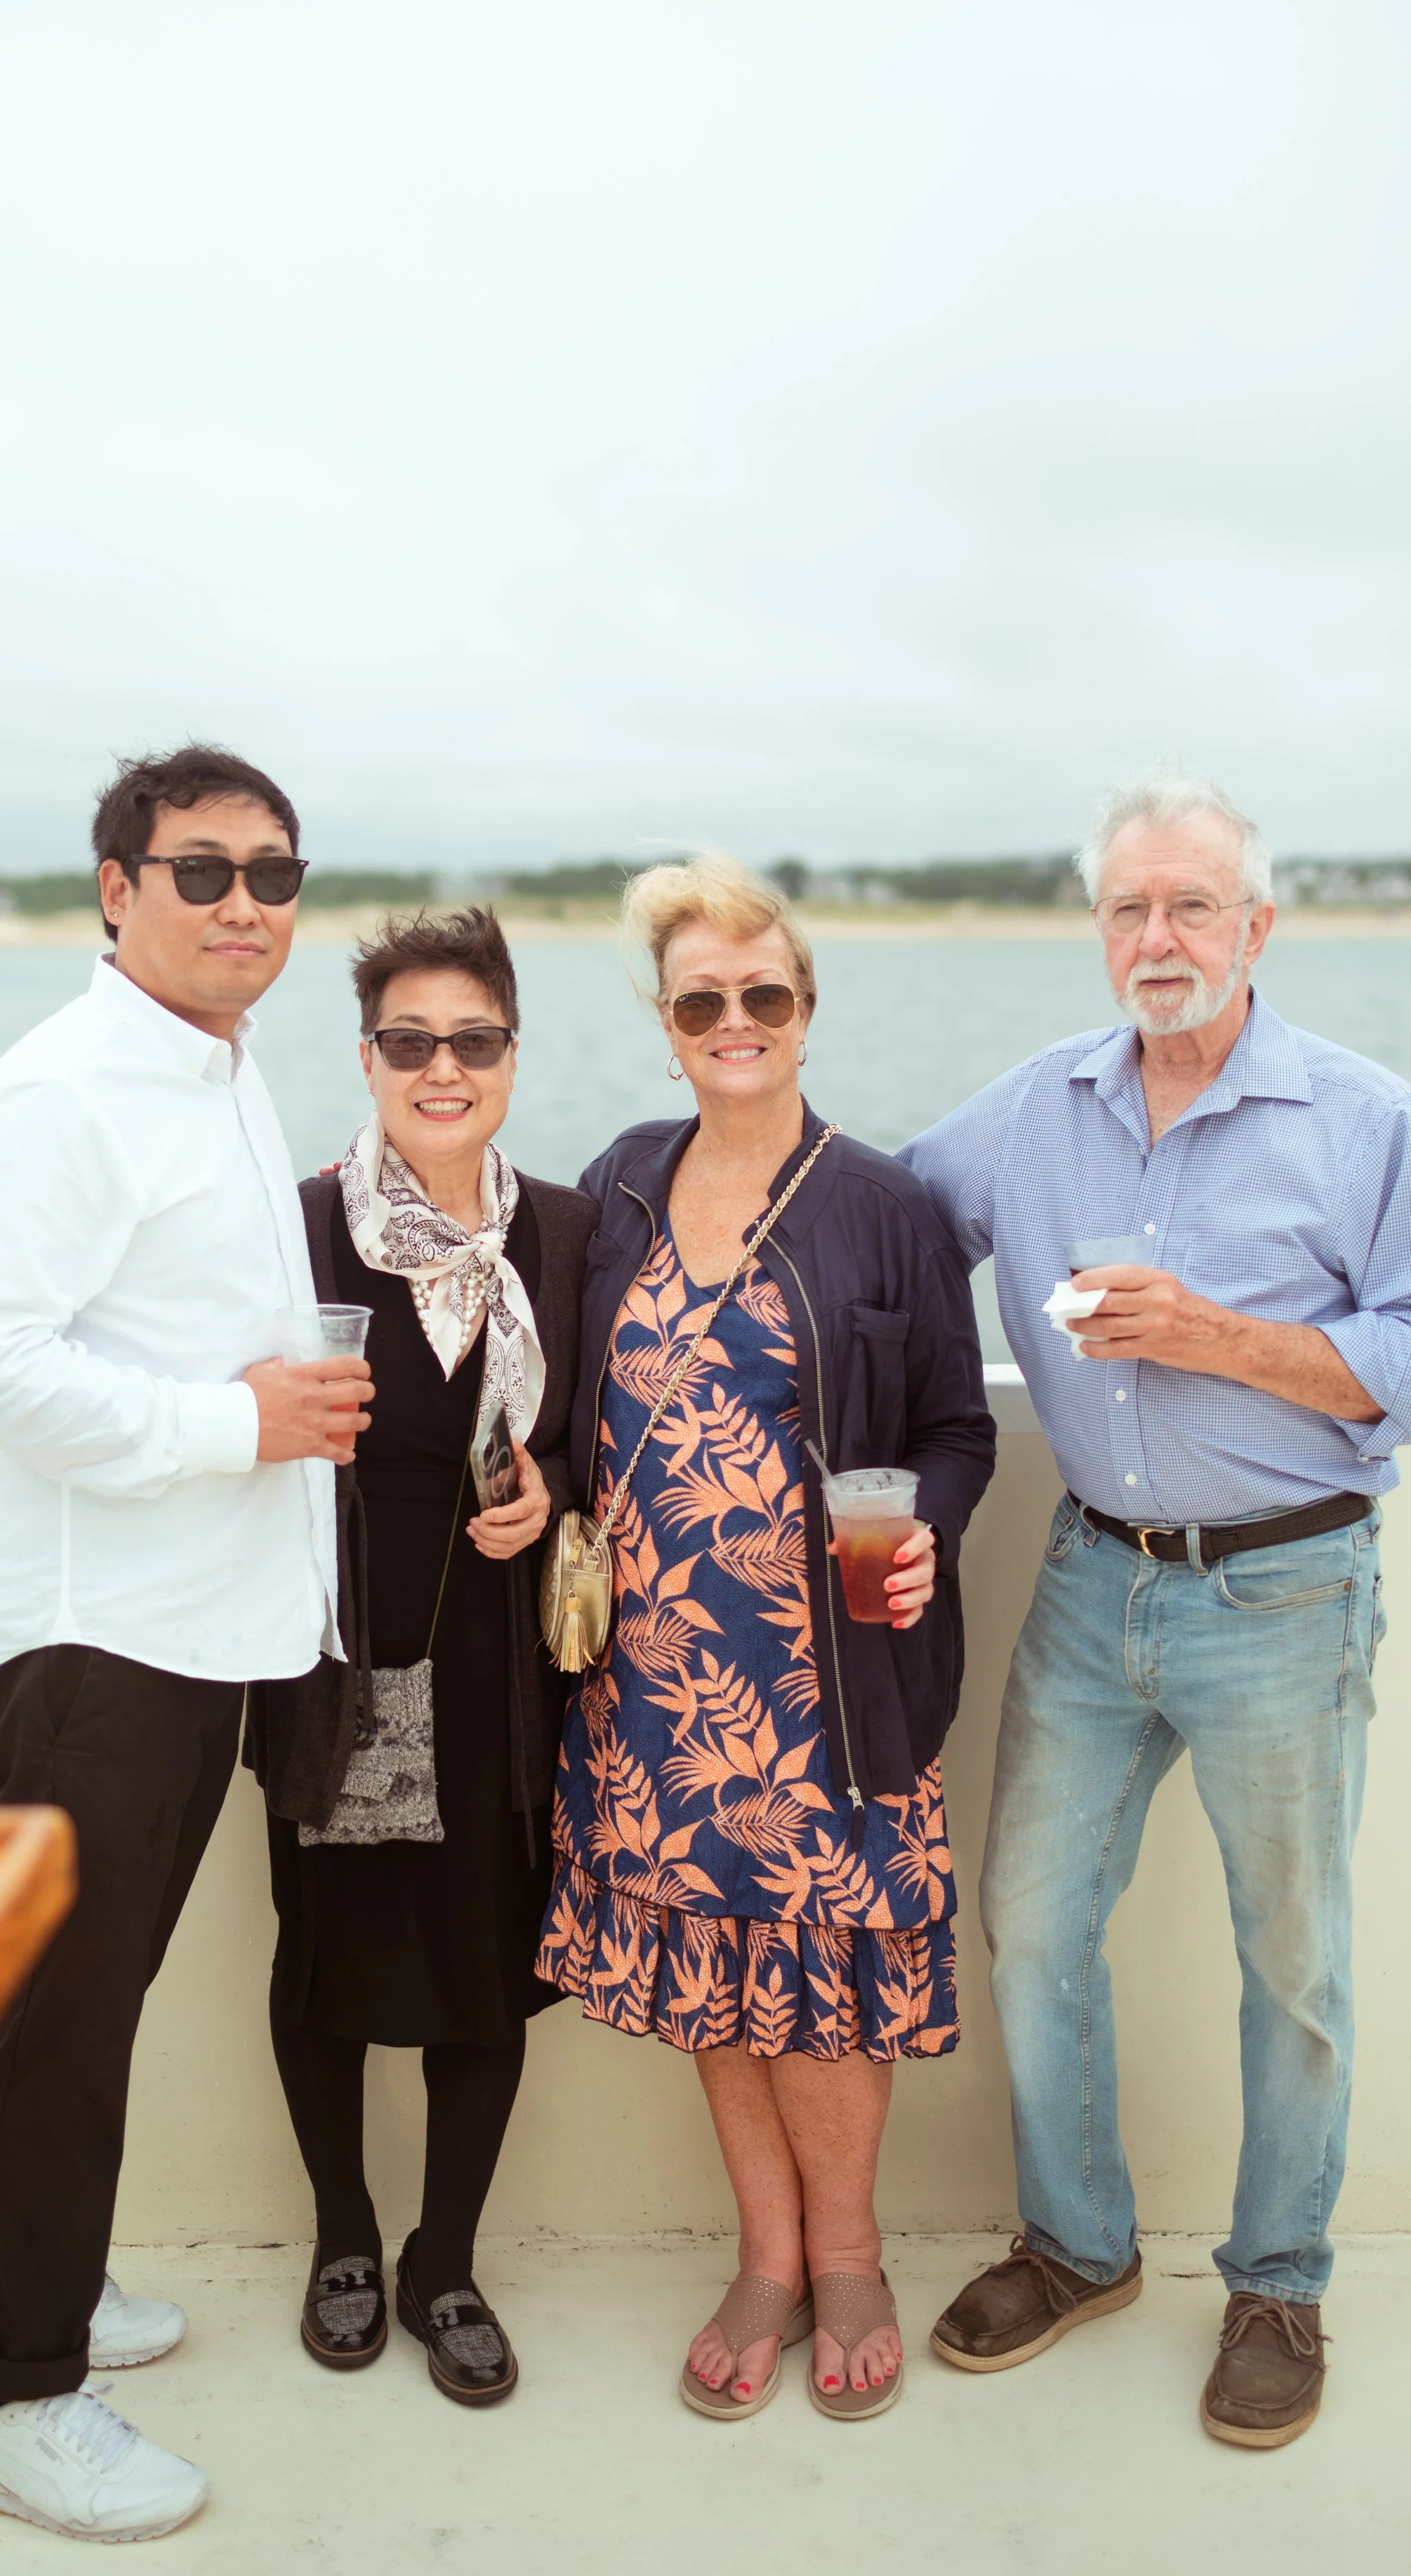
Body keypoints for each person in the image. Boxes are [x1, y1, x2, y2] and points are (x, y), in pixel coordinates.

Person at [901, 767, 1411, 2449]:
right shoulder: (1034, 1107)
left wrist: (1211, 1336)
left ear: (1255, 926)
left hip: (1286, 1587)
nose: (1156, 937)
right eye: (1127, 908)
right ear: (1096, 930)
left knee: (1289, 1963)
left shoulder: (1365, 1119)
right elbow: (879, 1219)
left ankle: (1277, 2284)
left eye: (1189, 905)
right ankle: (1076, 2246)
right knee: (1030, 1924)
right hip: (1090, 1576)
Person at [0, 745, 371, 2543]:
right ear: (117, 890)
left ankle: (14, 2269)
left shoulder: (218, 1066)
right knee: (60, 2020)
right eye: (202, 871)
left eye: (274, 872)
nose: (243, 902)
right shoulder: (58, 1095)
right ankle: (12, 2397)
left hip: (192, 1630)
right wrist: (232, 1421)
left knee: (83, 2004)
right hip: (90, 1644)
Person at [536, 853, 996, 2420]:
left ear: (806, 1009)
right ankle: (769, 2257)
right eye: (699, 1002)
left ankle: (850, 2255)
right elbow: (552, 1388)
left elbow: (954, 1431)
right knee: (708, 1964)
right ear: (663, 1024)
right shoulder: (618, 1183)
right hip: (653, 1675)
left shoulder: (884, 1207)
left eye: (762, 994)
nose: (733, 1021)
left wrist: (924, 1527)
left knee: (820, 1971)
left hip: (826, 1680)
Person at [245, 906, 596, 2402]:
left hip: (501, 1667)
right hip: (333, 1651)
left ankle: (441, 2257)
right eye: (410, 1041)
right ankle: (343, 2230)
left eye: (472, 1040)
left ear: (511, 1054)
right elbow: (227, 1406)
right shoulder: (299, 1223)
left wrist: (550, 1485)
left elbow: (600, 1428)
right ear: (368, 1058)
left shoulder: (567, 1232)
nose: (441, 1068)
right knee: (322, 1954)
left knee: (484, 1961)